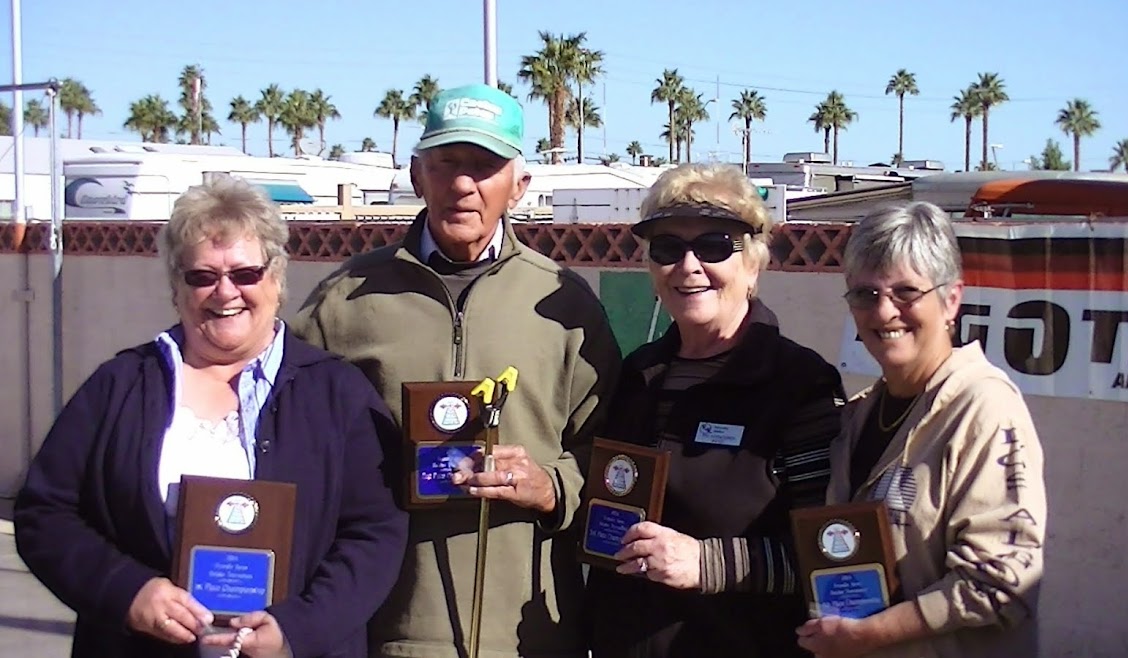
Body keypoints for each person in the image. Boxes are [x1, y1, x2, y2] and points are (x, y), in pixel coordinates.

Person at [290, 83, 621, 658]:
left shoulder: (565, 305)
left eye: (485, 166)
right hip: (387, 628)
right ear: (418, 175)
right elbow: (289, 446)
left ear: (519, 186)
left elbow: (612, 454)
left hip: (529, 635)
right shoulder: (344, 301)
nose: (463, 184)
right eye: (446, 162)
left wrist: (552, 486)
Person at [14, 176, 409, 658]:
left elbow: (376, 533)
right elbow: (45, 515)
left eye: (245, 274)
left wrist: (296, 630)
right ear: (176, 286)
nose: (226, 293)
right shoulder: (120, 386)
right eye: (203, 276)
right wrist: (128, 592)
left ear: (277, 278)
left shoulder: (337, 395)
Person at [585, 163, 846, 658]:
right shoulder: (638, 374)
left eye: (713, 246)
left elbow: (832, 554)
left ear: (752, 263)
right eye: (667, 248)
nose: (688, 266)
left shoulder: (799, 386)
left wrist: (707, 563)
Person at [796, 201, 1047, 658]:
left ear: (951, 300)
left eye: (906, 292)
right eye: (865, 295)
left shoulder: (984, 409)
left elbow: (1002, 581)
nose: (885, 312)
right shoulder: (860, 416)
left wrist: (866, 636)